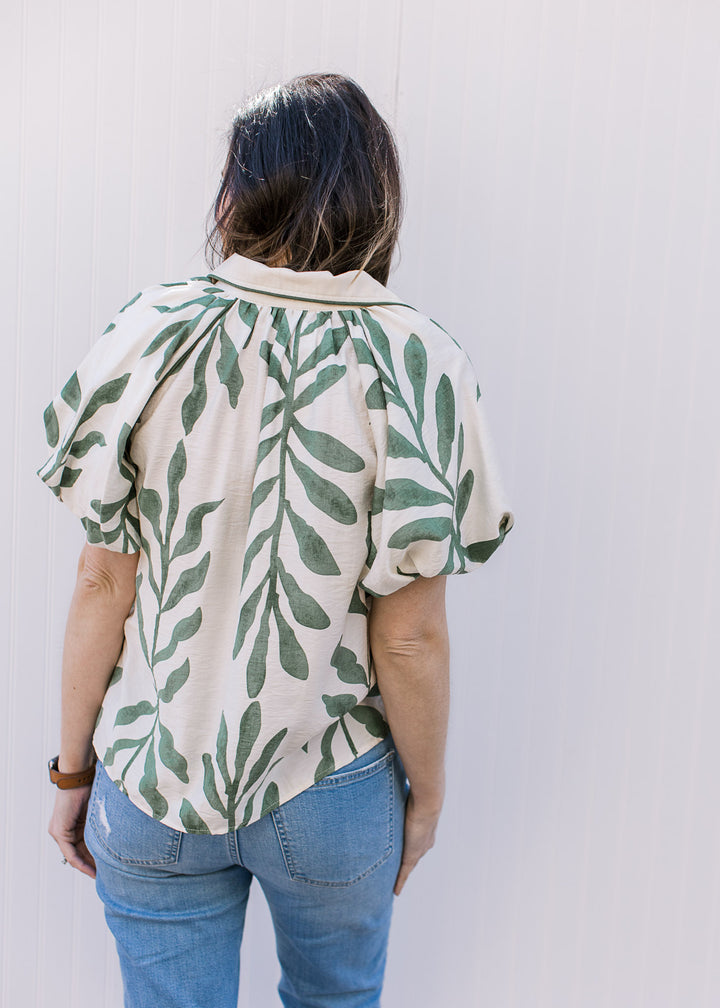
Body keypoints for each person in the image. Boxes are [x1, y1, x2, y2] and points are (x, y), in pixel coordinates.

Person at [40, 73, 514, 1008]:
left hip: (151, 772)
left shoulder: (153, 332)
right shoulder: (417, 360)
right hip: (334, 786)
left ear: (233, 195)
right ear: (377, 196)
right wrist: (425, 799)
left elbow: (102, 584)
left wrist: (71, 771)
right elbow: (409, 636)